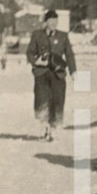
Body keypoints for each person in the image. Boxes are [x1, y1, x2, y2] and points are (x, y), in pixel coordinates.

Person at [27, 9, 77, 142]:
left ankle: (53, 130)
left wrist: (73, 71)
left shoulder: (63, 36)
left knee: (57, 100)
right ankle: (44, 129)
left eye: (56, 21)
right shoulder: (37, 35)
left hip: (58, 74)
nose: (54, 23)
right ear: (46, 22)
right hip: (41, 73)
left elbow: (70, 54)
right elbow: (30, 53)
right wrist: (37, 61)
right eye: (51, 21)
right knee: (42, 101)